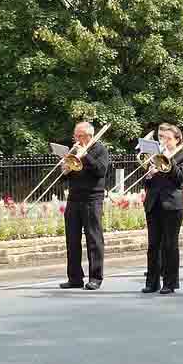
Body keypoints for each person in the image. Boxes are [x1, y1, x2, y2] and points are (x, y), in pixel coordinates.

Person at [141, 124, 183, 294]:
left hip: (172, 205)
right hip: (153, 204)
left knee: (170, 245)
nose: (164, 141)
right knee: (153, 245)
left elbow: (181, 179)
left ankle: (170, 283)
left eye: (168, 138)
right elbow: (147, 183)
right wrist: (148, 175)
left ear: (177, 140)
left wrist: (169, 162)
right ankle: (152, 282)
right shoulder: (154, 157)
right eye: (161, 138)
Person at [60, 122, 110, 290]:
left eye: (79, 136)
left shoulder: (100, 150)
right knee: (72, 240)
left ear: (88, 136)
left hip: (92, 199)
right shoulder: (73, 150)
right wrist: (65, 171)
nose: (76, 139)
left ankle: (95, 278)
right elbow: (66, 177)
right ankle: (75, 278)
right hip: (74, 199)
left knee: (94, 240)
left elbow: (101, 170)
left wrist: (85, 155)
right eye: (75, 136)